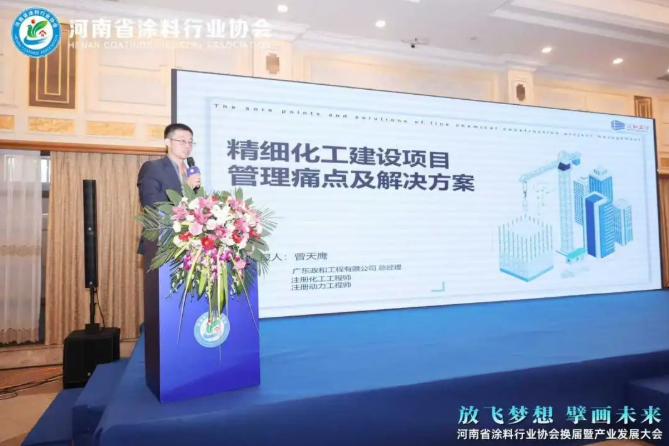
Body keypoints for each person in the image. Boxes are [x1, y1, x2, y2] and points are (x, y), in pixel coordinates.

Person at [137, 123, 201, 254]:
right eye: (182, 141)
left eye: (190, 142)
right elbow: (150, 205)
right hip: (161, 241)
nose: (187, 146)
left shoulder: (191, 172)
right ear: (168, 142)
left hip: (190, 243)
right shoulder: (153, 167)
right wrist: (185, 189)